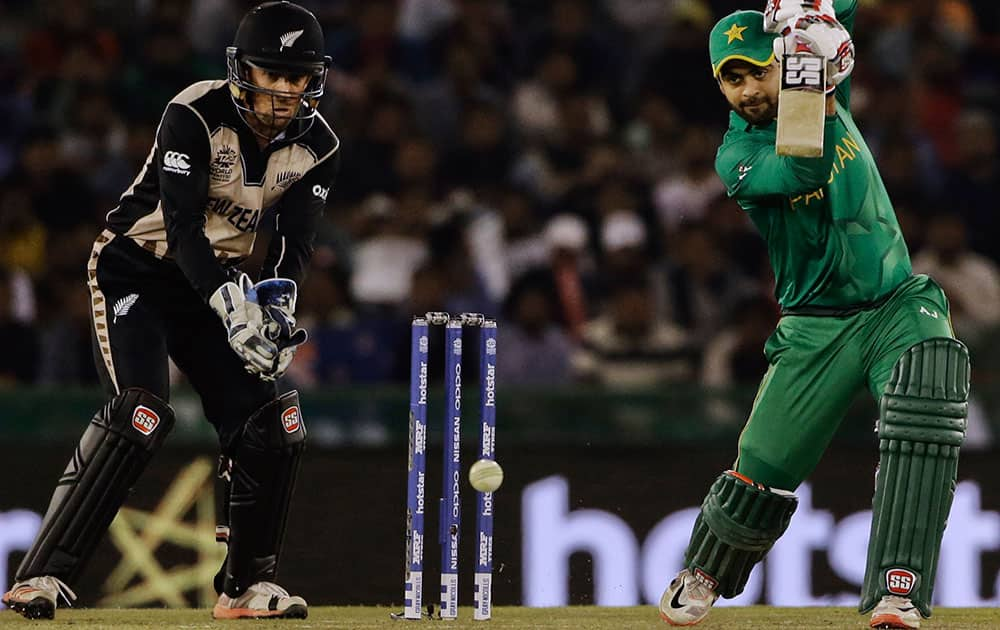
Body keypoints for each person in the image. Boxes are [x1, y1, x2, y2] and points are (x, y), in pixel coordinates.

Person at [2, 1, 339, 620]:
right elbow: (183, 231)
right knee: (143, 412)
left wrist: (275, 308)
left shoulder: (318, 145)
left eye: (296, 77)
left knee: (273, 420)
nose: (284, 91)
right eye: (272, 74)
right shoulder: (193, 113)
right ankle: (41, 578)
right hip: (138, 266)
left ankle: (244, 588)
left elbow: (295, 246)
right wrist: (229, 306)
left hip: (217, 286)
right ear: (243, 71)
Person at [658, 2, 970, 629]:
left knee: (928, 402)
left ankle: (897, 590)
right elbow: (804, 158)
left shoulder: (822, 71)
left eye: (758, 72)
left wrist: (815, 14)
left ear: (778, 62)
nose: (747, 90)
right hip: (816, 324)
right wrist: (812, 66)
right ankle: (703, 570)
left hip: (896, 303)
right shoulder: (737, 156)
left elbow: (839, 5)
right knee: (763, 467)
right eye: (732, 78)